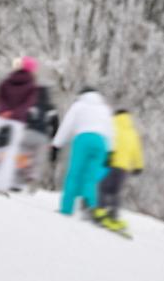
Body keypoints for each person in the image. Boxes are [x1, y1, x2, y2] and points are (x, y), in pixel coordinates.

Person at [0, 57, 38, 194]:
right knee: (10, 153)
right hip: (17, 122)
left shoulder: (8, 80)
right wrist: (15, 113)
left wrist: (5, 110)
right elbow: (28, 104)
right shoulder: (32, 87)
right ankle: (1, 186)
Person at [51, 87, 113, 216]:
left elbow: (67, 125)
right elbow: (111, 131)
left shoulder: (79, 105)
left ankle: (66, 208)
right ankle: (91, 208)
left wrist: (56, 144)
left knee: (74, 173)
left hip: (83, 139)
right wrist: (110, 151)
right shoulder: (105, 109)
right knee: (91, 177)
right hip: (101, 142)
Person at [93, 109, 144, 232]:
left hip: (111, 163)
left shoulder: (112, 125)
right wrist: (138, 166)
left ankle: (100, 211)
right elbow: (137, 151)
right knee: (116, 192)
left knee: (103, 187)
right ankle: (114, 215)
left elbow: (106, 142)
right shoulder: (132, 132)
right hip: (124, 168)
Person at [16, 85, 59, 191]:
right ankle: (33, 178)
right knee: (38, 161)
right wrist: (53, 140)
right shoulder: (51, 108)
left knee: (22, 156)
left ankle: (17, 181)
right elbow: (55, 126)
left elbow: (22, 117)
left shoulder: (30, 104)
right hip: (42, 137)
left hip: (28, 133)